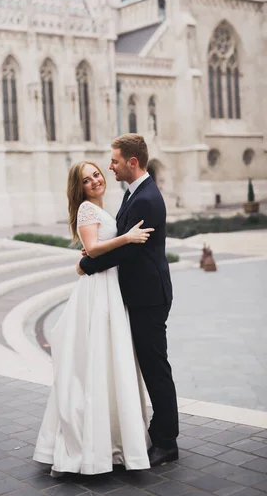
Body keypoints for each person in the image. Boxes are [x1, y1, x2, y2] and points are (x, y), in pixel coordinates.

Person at [33, 161, 154, 476]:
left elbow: (91, 251)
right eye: (87, 180)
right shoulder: (87, 210)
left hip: (108, 285)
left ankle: (112, 437)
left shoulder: (99, 210)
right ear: (80, 188)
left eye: (97, 174)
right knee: (97, 360)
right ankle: (91, 444)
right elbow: (93, 247)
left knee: (108, 359)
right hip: (98, 289)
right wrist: (126, 238)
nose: (95, 181)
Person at [78, 134, 179, 467]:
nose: (110, 166)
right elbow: (119, 240)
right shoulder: (135, 193)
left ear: (132, 163)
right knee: (151, 366)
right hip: (141, 294)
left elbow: (130, 251)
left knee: (155, 368)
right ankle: (159, 430)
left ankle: (167, 441)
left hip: (148, 297)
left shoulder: (146, 199)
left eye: (115, 161)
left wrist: (86, 264)